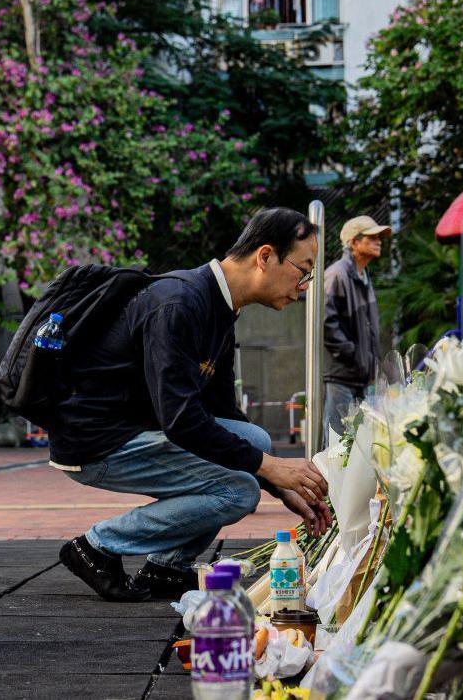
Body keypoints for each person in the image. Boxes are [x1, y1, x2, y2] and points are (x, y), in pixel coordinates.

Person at [51, 208, 333, 602]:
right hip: (96, 440)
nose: (304, 285)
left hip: (136, 428)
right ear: (265, 257)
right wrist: (270, 470)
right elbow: (182, 420)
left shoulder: (220, 308)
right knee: (236, 492)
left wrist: (279, 484)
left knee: (255, 440)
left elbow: (220, 411)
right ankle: (96, 546)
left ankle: (167, 566)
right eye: (303, 270)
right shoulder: (180, 303)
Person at [323, 216, 392, 438]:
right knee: (336, 444)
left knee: (358, 444)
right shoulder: (337, 274)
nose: (379, 241)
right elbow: (327, 324)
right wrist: (355, 356)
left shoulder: (363, 275)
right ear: (354, 242)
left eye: (379, 237)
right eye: (372, 237)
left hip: (361, 376)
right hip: (342, 376)